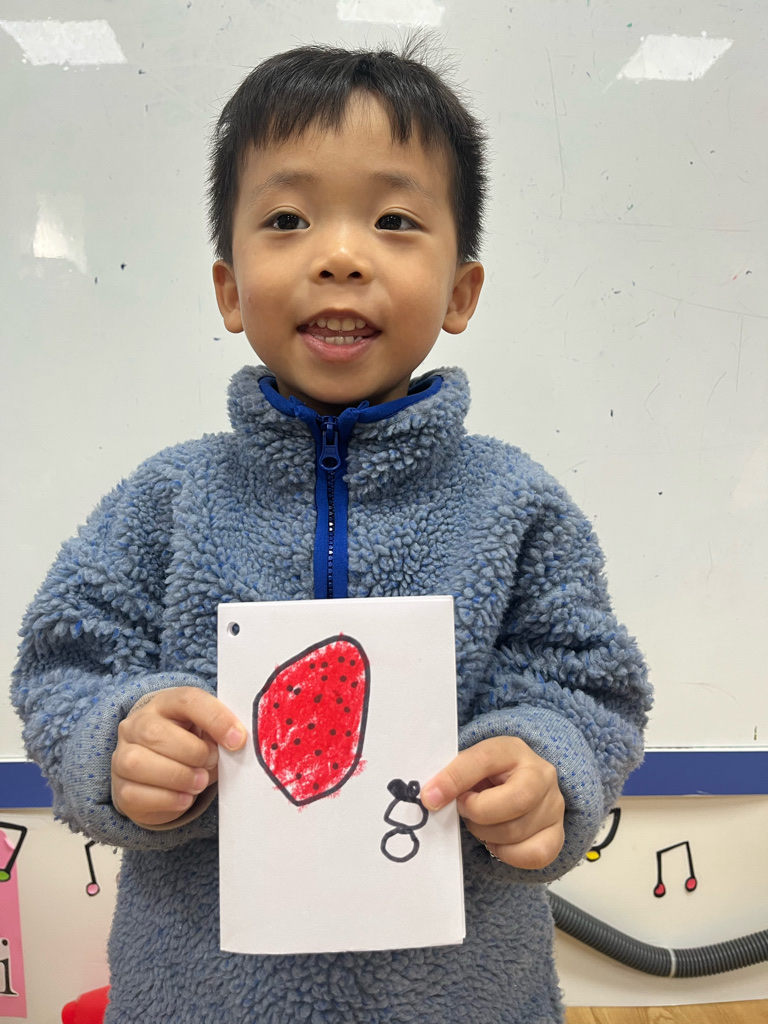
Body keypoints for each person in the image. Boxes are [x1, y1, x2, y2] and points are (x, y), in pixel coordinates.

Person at [12, 40, 651, 1024]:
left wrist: (547, 762)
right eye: (287, 219)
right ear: (230, 288)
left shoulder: (517, 504)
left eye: (394, 220)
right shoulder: (167, 498)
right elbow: (62, 661)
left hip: (463, 996)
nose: (341, 254)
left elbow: (590, 684)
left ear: (461, 291)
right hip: (201, 994)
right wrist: (117, 741)